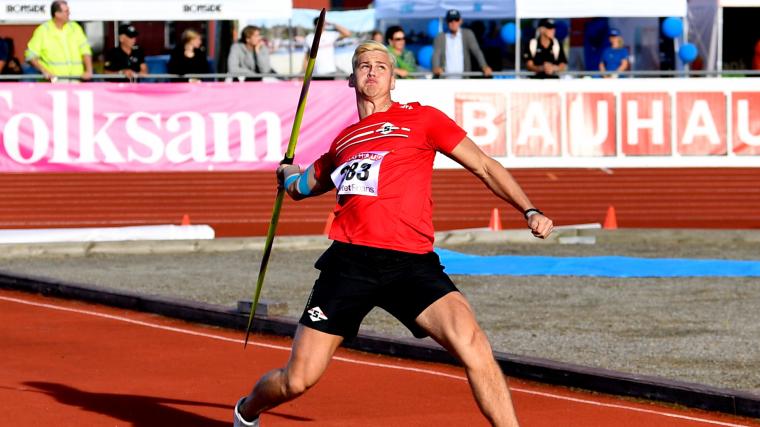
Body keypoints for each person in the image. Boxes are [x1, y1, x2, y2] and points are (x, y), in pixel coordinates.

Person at [233, 40, 553, 427]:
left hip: (411, 263)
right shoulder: (342, 143)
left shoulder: (423, 120)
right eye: (363, 65)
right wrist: (286, 173)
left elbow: (484, 166)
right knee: (297, 380)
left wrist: (529, 208)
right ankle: (247, 410)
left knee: (475, 346)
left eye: (381, 66)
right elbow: (302, 187)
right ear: (351, 79)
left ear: (394, 78)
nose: (372, 71)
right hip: (349, 264)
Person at [25, 0, 93, 82]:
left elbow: (85, 50)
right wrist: (44, 70)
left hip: (76, 82)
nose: (69, 13)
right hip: (54, 84)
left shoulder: (75, 28)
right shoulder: (43, 30)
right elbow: (31, 55)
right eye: (66, 11)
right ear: (57, 14)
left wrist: (89, 71)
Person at [432, 9, 492, 78]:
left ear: (460, 21)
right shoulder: (440, 37)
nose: (453, 22)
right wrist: (436, 67)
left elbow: (476, 51)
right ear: (446, 22)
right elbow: (436, 54)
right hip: (446, 79)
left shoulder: (467, 34)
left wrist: (484, 66)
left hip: (463, 79)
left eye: (456, 20)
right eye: (450, 20)